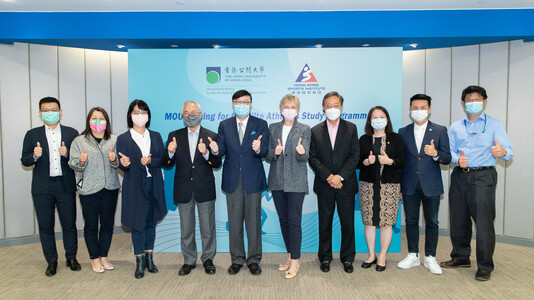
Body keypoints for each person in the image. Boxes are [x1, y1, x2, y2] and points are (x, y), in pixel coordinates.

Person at [440, 85, 513, 281]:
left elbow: (508, 151)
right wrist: (457, 160)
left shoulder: (495, 125)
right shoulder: (456, 126)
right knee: (458, 219)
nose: (473, 103)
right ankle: (461, 257)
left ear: (484, 101)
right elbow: (451, 152)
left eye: (477, 100)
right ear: (463, 104)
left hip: (483, 176)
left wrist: (502, 152)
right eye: (469, 100)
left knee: (483, 222)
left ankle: (485, 265)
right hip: (459, 176)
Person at [208, 90, 269, 275]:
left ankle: (254, 260)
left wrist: (259, 149)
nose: (241, 105)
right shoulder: (224, 125)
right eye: (238, 101)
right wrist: (215, 150)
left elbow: (265, 150)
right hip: (233, 180)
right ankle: (237, 259)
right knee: (234, 223)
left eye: (245, 102)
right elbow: (221, 151)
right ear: (233, 104)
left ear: (251, 104)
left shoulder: (260, 124)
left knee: (253, 224)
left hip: (253, 179)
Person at [21, 97, 81, 277]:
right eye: (46, 110)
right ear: (40, 113)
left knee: (69, 224)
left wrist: (67, 154)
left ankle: (71, 258)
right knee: (46, 226)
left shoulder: (72, 133)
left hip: (65, 185)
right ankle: (51, 261)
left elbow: (78, 160)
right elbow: (24, 160)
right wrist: (34, 156)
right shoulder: (31, 135)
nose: (50, 113)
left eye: (53, 110)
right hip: (42, 188)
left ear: (60, 112)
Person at [162, 100, 222, 276]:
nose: (190, 116)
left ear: (201, 114)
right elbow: (166, 163)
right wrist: (170, 152)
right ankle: (189, 260)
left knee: (207, 228)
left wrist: (207, 154)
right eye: (186, 113)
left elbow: (217, 163)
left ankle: (208, 259)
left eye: (194, 112)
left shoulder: (211, 135)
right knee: (186, 228)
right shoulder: (175, 135)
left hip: (204, 187)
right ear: (182, 116)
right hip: (183, 188)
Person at [398, 94, 451, 275]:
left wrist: (435, 153)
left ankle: (430, 257)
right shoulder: (402, 132)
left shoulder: (440, 130)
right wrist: (398, 186)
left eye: (422, 107)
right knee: (411, 220)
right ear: (410, 110)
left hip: (431, 184)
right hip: (409, 184)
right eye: (415, 107)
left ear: (429, 109)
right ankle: (413, 254)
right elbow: (400, 161)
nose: (418, 111)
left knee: (432, 221)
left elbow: (447, 158)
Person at [309, 91, 359, 274]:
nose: (332, 108)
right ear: (323, 107)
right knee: (325, 222)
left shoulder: (352, 128)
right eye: (328, 105)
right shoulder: (315, 130)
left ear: (342, 107)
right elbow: (312, 158)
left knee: (347, 223)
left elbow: (355, 156)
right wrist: (329, 177)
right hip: (325, 185)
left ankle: (347, 258)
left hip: (346, 184)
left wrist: (340, 177)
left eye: (336, 105)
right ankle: (325, 257)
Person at [116, 99, 167, 279]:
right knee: (138, 223)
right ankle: (139, 261)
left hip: (154, 183)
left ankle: (150, 258)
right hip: (135, 185)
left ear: (148, 116)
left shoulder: (156, 135)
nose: (140, 116)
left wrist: (151, 161)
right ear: (130, 115)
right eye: (136, 112)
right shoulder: (123, 138)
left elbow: (163, 159)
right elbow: (123, 165)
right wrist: (124, 163)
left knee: (150, 221)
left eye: (143, 112)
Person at [68, 107, 120, 273]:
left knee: (107, 225)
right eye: (94, 118)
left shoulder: (114, 139)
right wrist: (81, 161)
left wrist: (114, 160)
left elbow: (120, 163)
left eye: (101, 118)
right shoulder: (79, 141)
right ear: (89, 121)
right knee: (91, 226)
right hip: (89, 189)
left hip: (110, 188)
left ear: (107, 121)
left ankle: (104, 256)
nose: (98, 121)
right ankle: (94, 258)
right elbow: (73, 163)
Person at [265, 94, 311, 279]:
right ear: (281, 109)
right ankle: (290, 255)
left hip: (296, 182)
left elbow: (305, 156)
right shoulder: (273, 128)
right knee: (283, 220)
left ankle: (296, 260)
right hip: (277, 180)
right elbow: (267, 155)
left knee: (294, 221)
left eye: (292, 107)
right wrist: (273, 152)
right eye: (286, 106)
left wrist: (302, 152)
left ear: (297, 110)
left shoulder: (305, 129)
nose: (289, 109)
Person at [358, 106, 404, 272]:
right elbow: (356, 162)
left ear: (387, 119)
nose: (378, 120)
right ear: (370, 120)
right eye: (374, 117)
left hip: (389, 186)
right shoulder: (363, 139)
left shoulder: (396, 138)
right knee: (369, 222)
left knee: (386, 223)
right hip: (367, 186)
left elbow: (403, 161)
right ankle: (371, 255)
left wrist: (390, 161)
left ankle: (383, 255)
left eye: (381, 116)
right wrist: (366, 162)